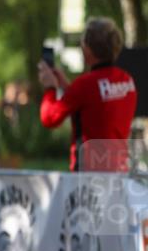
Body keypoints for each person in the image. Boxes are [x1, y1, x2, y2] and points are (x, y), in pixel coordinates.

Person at [38, 17, 137, 172]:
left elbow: (49, 118)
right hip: (119, 171)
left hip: (87, 175)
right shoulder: (127, 80)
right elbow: (95, 105)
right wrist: (66, 86)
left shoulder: (85, 84)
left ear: (88, 49)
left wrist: (50, 87)